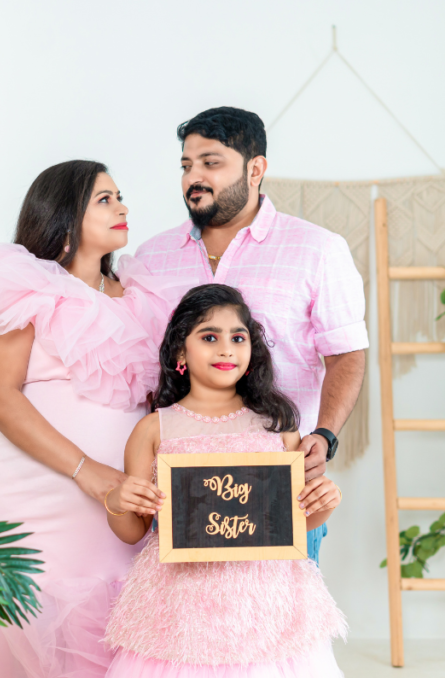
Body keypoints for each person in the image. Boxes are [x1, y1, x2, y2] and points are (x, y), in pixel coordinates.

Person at [0, 160, 190, 678]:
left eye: (120, 196)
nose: (122, 207)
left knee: (114, 645)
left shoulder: (145, 300)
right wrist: (87, 471)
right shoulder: (20, 286)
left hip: (121, 509)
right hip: (35, 500)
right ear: (63, 214)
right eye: (104, 199)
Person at [135, 107, 367, 563]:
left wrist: (324, 435)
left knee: (279, 609)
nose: (194, 177)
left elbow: (346, 354)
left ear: (255, 169)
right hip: (179, 490)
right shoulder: (151, 256)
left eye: (211, 162)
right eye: (186, 165)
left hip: (279, 484)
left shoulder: (318, 249)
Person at [103, 284, 346, 677]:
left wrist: (324, 503)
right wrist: (117, 502)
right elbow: (133, 531)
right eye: (209, 337)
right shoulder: (153, 430)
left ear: (252, 350)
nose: (226, 349)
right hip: (181, 603)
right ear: (180, 351)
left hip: (267, 600)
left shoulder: (277, 427)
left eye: (238, 338)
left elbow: (293, 522)